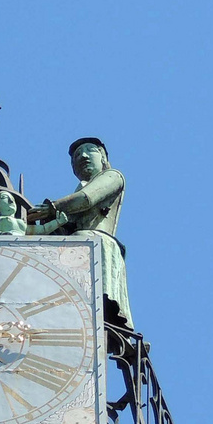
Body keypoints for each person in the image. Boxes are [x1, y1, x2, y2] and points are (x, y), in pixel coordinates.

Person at [33, 137, 133, 329]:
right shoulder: (77, 191)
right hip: (75, 246)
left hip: (96, 245)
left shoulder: (113, 176)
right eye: (77, 155)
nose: (83, 156)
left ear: (103, 157)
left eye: (90, 151)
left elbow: (86, 199)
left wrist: (52, 208)